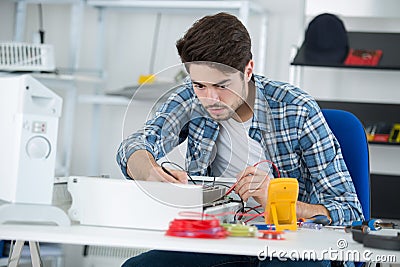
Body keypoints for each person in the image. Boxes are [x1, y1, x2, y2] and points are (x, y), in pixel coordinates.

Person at [117, 12, 363, 267]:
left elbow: (350, 212)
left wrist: (279, 201)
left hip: (291, 246)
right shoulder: (190, 100)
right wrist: (149, 171)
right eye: (199, 85)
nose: (210, 98)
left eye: (222, 86)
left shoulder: (297, 110)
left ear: (248, 71)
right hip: (219, 240)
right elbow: (134, 145)